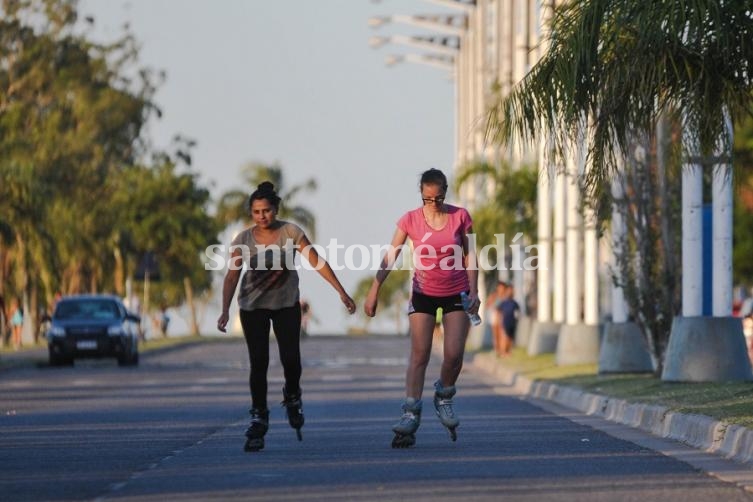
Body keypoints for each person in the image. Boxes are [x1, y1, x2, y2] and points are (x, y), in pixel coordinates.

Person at [217, 181, 356, 452]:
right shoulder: (243, 240)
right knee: (259, 362)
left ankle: (292, 395)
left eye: (267, 211)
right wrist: (224, 310)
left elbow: (316, 261)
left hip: (286, 305)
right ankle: (259, 416)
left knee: (290, 359)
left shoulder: (290, 232)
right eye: (257, 212)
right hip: (252, 307)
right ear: (251, 213)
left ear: (276, 210)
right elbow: (232, 275)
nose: (262, 217)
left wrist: (342, 292)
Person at [364, 168, 479, 448]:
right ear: (421, 195)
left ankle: (444, 395)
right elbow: (391, 254)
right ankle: (410, 413)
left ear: (445, 192)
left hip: (457, 291)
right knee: (419, 355)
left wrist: (475, 290)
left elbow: (471, 253)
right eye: (428, 199)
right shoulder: (410, 220)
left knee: (453, 355)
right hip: (423, 293)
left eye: (438, 198)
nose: (433, 204)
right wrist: (375, 288)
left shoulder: (461, 217)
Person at [496, 282, 521, 357]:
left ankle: (508, 351)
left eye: (512, 290)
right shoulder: (504, 302)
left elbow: (518, 312)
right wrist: (499, 320)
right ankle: (503, 352)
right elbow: (499, 311)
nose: (510, 292)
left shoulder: (515, 303)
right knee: (504, 337)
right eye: (509, 290)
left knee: (510, 338)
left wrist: (517, 320)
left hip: (512, 322)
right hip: (505, 322)